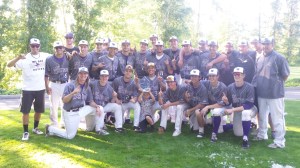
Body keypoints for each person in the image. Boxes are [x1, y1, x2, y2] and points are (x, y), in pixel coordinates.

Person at [7, 38, 50, 140]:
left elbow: (58, 55)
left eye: (37, 46)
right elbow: (8, 65)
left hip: (40, 89)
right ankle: (25, 132)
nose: (35, 47)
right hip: (27, 90)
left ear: (39, 46)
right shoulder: (24, 58)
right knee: (25, 111)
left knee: (38, 111)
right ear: (29, 46)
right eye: (33, 46)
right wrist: (18, 58)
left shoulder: (45, 56)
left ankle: (35, 128)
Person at [45, 67, 105, 139]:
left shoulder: (87, 87)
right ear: (78, 74)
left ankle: (98, 130)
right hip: (70, 113)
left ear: (87, 75)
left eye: (85, 73)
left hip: (81, 110)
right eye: (81, 73)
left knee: (100, 108)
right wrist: (73, 93)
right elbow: (64, 100)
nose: (83, 75)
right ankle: (50, 128)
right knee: (69, 136)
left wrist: (97, 106)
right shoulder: (70, 85)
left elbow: (90, 101)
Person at [252, 37, 290, 149]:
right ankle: (262, 135)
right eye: (263, 44)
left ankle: (279, 141)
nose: (265, 46)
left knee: (277, 118)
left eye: (267, 44)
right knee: (262, 116)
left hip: (275, 94)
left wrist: (275, 84)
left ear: (272, 44)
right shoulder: (259, 58)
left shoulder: (279, 58)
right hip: (261, 92)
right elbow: (257, 74)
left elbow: (285, 75)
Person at [223, 67, 256, 148]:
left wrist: (233, 109)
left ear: (243, 75)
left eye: (238, 74)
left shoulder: (249, 87)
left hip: (250, 109)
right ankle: (247, 125)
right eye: (234, 74)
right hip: (237, 110)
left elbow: (248, 105)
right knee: (237, 133)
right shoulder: (230, 87)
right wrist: (226, 101)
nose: (236, 76)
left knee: (245, 113)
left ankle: (245, 139)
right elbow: (230, 102)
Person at [89, 70, 123, 134]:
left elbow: (113, 98)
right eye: (102, 76)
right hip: (93, 106)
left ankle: (118, 127)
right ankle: (99, 129)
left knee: (117, 106)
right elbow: (86, 88)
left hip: (103, 106)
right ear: (99, 76)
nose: (104, 78)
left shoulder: (109, 87)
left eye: (106, 76)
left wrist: (116, 99)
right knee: (89, 128)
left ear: (108, 77)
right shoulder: (93, 84)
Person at [45, 41, 69, 128]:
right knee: (53, 105)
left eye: (60, 47)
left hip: (64, 83)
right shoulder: (49, 59)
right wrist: (47, 86)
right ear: (54, 49)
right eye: (56, 48)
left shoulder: (68, 58)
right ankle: (54, 123)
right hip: (54, 83)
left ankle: (63, 122)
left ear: (63, 48)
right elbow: (46, 75)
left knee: (65, 104)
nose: (58, 49)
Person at [199, 68, 227, 140]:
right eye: (210, 76)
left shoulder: (223, 87)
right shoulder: (205, 83)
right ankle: (212, 124)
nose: (211, 77)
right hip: (210, 108)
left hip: (221, 108)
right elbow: (196, 82)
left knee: (220, 130)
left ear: (218, 76)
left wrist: (207, 107)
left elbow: (221, 104)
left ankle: (215, 133)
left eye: (213, 76)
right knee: (208, 121)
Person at [112, 65, 141, 131]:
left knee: (137, 105)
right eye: (127, 71)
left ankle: (136, 126)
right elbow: (112, 92)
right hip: (120, 103)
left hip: (128, 102)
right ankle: (120, 122)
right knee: (120, 123)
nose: (128, 72)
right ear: (124, 72)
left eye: (130, 71)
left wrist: (135, 99)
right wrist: (116, 100)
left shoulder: (133, 82)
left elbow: (137, 94)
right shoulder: (117, 80)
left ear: (132, 74)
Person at [184, 69, 209, 135]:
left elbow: (202, 105)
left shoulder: (203, 88)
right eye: (192, 76)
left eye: (195, 76)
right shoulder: (188, 86)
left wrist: (190, 110)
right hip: (193, 107)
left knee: (197, 112)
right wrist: (186, 97)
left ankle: (201, 131)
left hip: (201, 108)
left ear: (199, 77)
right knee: (194, 129)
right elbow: (188, 100)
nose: (193, 78)